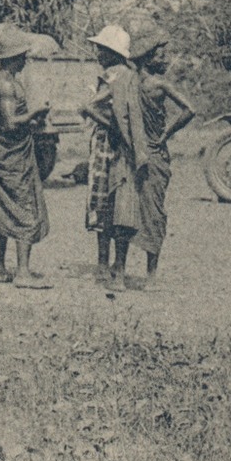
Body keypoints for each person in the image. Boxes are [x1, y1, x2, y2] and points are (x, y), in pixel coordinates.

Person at [0, 34, 52, 286]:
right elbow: (9, 123)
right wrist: (35, 113)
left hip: (3, 154)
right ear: (13, 58)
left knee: (1, 210)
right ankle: (23, 273)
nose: (26, 61)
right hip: (12, 158)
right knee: (24, 209)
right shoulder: (5, 86)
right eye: (23, 57)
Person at [125, 33, 197, 284]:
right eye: (160, 55)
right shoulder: (159, 85)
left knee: (130, 208)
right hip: (155, 153)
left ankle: (117, 270)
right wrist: (166, 133)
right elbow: (191, 109)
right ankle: (150, 275)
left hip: (133, 152)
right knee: (153, 211)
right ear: (147, 59)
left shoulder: (129, 84)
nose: (165, 60)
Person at [80, 25, 144, 293]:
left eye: (101, 49)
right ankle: (113, 267)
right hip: (120, 146)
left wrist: (91, 113)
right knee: (117, 206)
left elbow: (106, 115)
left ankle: (107, 267)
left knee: (107, 205)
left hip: (112, 146)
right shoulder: (129, 76)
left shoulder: (115, 79)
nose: (97, 53)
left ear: (111, 53)